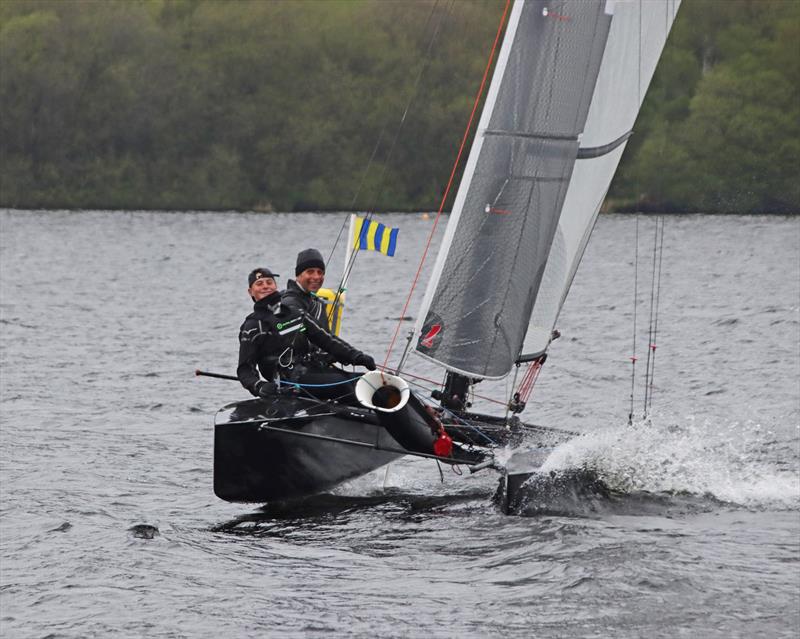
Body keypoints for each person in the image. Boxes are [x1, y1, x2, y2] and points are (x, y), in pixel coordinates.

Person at [237, 266, 375, 401]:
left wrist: (357, 356)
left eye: (269, 282)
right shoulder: (252, 326)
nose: (265, 286)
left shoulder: (295, 314)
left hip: (313, 370)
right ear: (251, 292)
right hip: (288, 380)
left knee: (368, 382)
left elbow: (327, 341)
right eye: (259, 284)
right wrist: (259, 386)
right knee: (342, 385)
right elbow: (245, 370)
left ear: (275, 285)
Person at [282, 248, 329, 331]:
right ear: (298, 275)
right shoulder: (288, 303)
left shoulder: (318, 304)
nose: (316, 277)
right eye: (310, 272)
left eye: (320, 272)